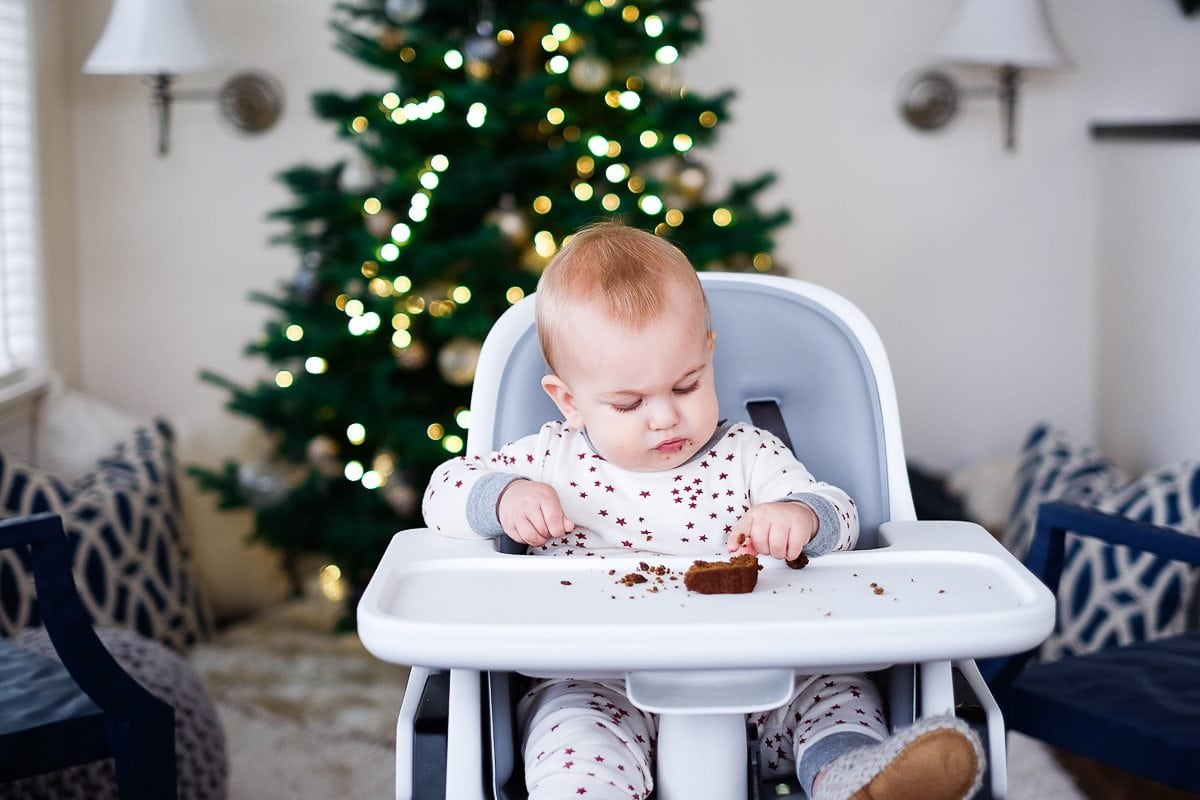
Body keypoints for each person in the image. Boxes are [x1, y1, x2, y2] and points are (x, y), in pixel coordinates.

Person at [422, 221, 984, 800]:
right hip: (596, 683)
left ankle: (855, 782)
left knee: (837, 697)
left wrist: (801, 516)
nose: (664, 417)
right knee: (573, 746)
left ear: (708, 355)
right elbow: (443, 491)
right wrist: (505, 496)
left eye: (687, 386)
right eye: (628, 403)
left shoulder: (748, 453)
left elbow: (839, 512)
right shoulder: (549, 457)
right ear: (569, 401)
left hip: (765, 681)